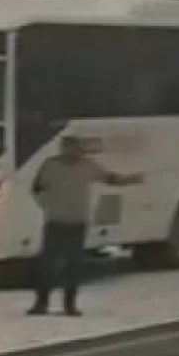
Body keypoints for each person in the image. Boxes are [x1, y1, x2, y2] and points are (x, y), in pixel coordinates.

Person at [28, 135, 142, 316]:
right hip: (55, 221)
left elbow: (109, 178)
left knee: (73, 265)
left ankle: (70, 304)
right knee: (47, 265)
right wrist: (46, 205)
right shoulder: (50, 165)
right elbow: (36, 188)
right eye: (68, 148)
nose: (72, 152)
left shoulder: (87, 166)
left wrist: (129, 180)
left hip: (77, 222)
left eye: (75, 148)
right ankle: (41, 303)